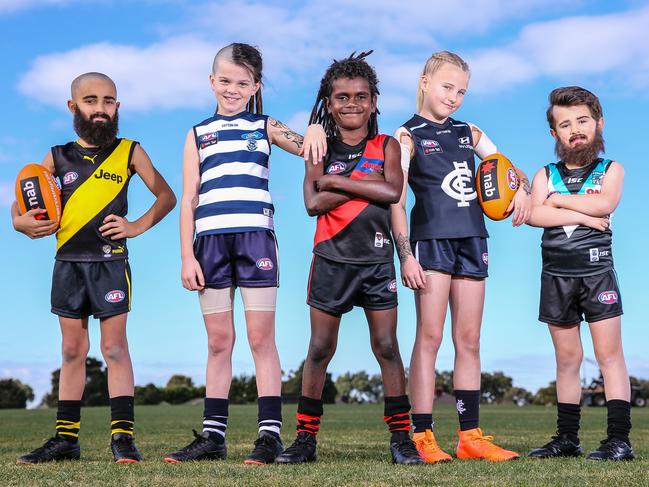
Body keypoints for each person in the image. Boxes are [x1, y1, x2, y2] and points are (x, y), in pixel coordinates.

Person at [166, 43, 325, 465]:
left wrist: (314, 129)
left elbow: (307, 146)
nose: (232, 89)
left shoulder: (264, 125)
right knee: (219, 342)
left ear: (255, 85)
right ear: (211, 81)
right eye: (224, 81)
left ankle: (269, 436)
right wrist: (187, 256)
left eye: (242, 83)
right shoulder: (197, 133)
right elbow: (188, 199)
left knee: (259, 338)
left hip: (256, 240)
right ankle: (212, 437)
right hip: (210, 244)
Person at [12, 72, 176, 463]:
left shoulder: (130, 151)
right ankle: (66, 440)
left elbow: (167, 196)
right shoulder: (55, 157)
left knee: (114, 348)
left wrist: (135, 226)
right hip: (68, 263)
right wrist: (22, 224)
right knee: (72, 349)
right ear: (74, 107)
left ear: (117, 107)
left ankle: (123, 438)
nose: (100, 109)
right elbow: (21, 206)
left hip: (110, 264)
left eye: (108, 101)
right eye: (90, 101)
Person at [276, 51, 423, 466]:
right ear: (329, 102)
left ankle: (401, 439)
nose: (352, 103)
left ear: (373, 101)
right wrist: (366, 182)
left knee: (387, 346)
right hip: (331, 259)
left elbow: (393, 191)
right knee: (320, 348)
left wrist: (338, 179)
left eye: (360, 96)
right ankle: (305, 439)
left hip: (377, 263)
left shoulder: (387, 145)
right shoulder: (317, 147)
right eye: (342, 97)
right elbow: (311, 201)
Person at [391, 51, 531, 463]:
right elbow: (396, 202)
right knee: (429, 338)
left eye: (462, 91)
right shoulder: (406, 135)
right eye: (447, 87)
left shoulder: (469, 131)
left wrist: (521, 188)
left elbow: (507, 168)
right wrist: (405, 257)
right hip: (430, 242)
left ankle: (470, 437)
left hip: (473, 239)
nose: (454, 97)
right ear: (424, 82)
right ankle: (422, 436)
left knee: (469, 340)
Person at [527, 86, 634, 461]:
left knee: (609, 356)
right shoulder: (546, 173)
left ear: (598, 123)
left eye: (582, 121)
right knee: (567, 359)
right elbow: (534, 214)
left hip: (597, 273)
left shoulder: (611, 169)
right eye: (565, 124)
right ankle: (567, 439)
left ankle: (619, 439)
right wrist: (580, 213)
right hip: (556, 275)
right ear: (554, 133)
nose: (575, 129)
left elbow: (605, 202)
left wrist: (555, 200)